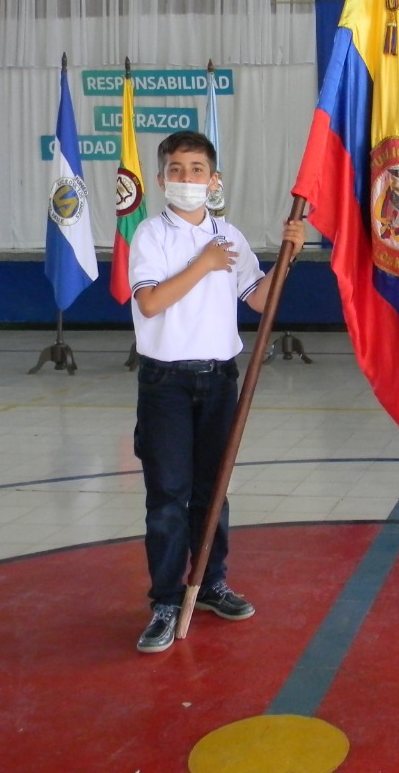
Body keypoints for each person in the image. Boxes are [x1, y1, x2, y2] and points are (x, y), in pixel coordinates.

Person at [129, 130, 306, 654]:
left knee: (214, 490)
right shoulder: (150, 236)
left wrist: (289, 255)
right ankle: (165, 600)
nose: (187, 179)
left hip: (218, 379)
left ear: (215, 180)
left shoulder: (230, 236)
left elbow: (257, 300)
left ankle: (209, 583)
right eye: (177, 170)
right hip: (165, 383)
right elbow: (151, 304)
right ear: (162, 179)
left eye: (197, 169)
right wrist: (202, 265)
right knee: (167, 495)